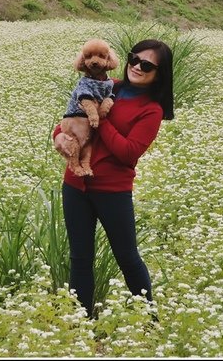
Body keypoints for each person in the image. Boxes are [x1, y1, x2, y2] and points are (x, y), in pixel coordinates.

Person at [52, 38, 175, 319]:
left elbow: (128, 153)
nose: (137, 67)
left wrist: (100, 120)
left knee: (128, 259)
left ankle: (149, 320)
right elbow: (71, 116)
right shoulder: (109, 86)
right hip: (75, 184)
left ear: (159, 73)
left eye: (147, 65)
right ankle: (81, 322)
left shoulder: (151, 110)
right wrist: (58, 134)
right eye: (134, 59)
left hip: (112, 191)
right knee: (80, 259)